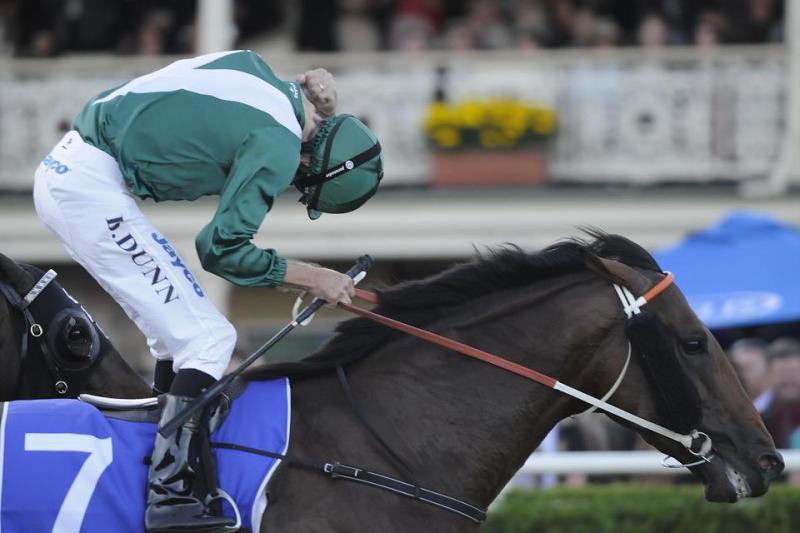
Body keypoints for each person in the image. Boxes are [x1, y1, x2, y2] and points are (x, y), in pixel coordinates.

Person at [33, 50, 383, 532]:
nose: (290, 182)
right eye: (301, 182)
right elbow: (220, 249)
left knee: (176, 340)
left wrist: (317, 103)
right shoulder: (279, 146)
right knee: (210, 339)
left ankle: (162, 469)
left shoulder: (261, 73)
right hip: (86, 189)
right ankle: (169, 493)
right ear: (311, 164)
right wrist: (313, 276)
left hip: (74, 173)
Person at [761, 338, 800, 449]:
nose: (788, 378)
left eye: (794, 371)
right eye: (781, 372)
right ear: (768, 376)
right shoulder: (758, 423)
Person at [729, 338, 773, 413]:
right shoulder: (727, 406)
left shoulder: (782, 404)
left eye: (748, 368)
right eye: (737, 369)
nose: (740, 375)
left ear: (769, 369)